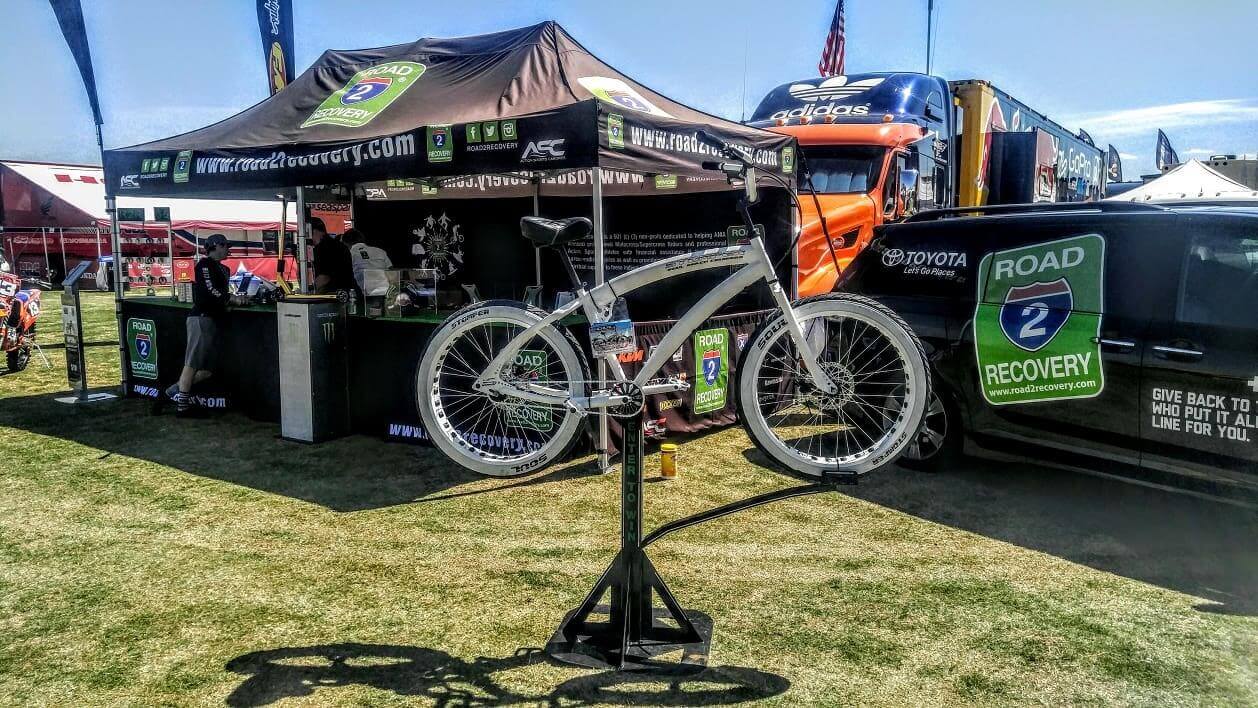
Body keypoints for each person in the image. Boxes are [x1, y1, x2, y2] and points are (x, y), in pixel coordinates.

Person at [159, 234, 244, 415]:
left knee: (207, 370)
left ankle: (171, 392)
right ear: (216, 246)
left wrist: (230, 303)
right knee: (192, 364)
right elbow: (209, 291)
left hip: (212, 319)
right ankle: (182, 406)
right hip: (201, 318)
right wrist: (231, 299)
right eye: (225, 246)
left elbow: (218, 295)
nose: (228, 249)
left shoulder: (224, 269)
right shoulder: (204, 265)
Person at [309, 217, 357, 295]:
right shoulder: (338, 245)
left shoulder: (323, 248)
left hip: (333, 296)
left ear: (312, 230)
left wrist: (310, 292)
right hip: (346, 293)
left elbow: (324, 278)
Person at [343, 228, 393, 298]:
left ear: (346, 243)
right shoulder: (380, 251)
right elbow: (392, 271)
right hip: (385, 293)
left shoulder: (349, 253)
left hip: (363, 295)